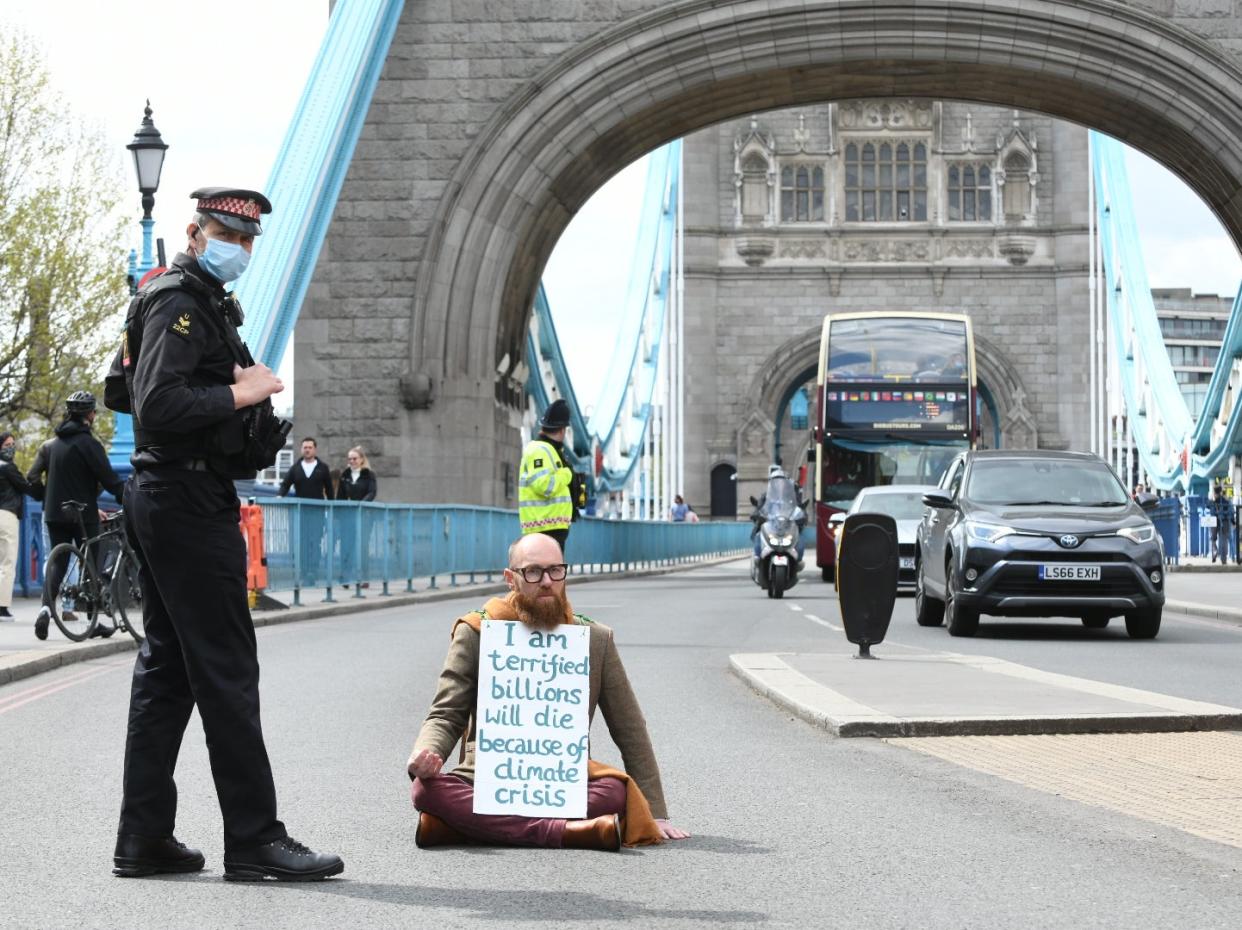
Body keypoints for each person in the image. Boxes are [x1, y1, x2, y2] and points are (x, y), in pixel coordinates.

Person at [104, 188, 341, 881]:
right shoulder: (179, 301)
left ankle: (143, 839)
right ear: (195, 232)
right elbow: (153, 402)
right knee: (227, 669)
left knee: (168, 673)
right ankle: (256, 838)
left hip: (169, 492)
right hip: (183, 498)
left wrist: (251, 407)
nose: (240, 249)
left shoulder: (197, 302)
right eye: (228, 235)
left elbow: (123, 392)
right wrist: (240, 394)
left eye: (248, 240)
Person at [407, 532, 690, 850]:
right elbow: (446, 712)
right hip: (487, 778)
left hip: (562, 779)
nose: (547, 581)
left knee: (616, 791)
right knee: (424, 789)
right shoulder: (476, 632)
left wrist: (655, 810)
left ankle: (462, 828)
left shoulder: (594, 639)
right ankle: (570, 832)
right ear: (510, 578)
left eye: (556, 570)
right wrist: (426, 754)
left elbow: (630, 728)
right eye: (533, 571)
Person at [25, 392, 124, 640]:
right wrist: (127, 495)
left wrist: (44, 497)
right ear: (90, 415)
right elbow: (108, 479)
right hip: (83, 513)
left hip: (54, 512)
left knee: (58, 562)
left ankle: (46, 609)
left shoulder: (52, 445)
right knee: (91, 559)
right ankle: (92, 618)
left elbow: (32, 478)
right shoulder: (90, 445)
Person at [518, 399, 576, 549]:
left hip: (550, 527)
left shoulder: (549, 450)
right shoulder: (539, 450)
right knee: (547, 571)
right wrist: (566, 474)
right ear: (563, 430)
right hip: (543, 528)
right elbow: (545, 486)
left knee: (551, 571)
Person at [279, 437, 332, 586]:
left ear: (315, 449)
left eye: (310, 447)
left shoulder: (323, 468)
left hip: (317, 513)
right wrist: (279, 496)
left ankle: (312, 572)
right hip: (300, 513)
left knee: (315, 543)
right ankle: (302, 573)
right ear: (301, 449)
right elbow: (285, 484)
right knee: (301, 543)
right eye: (305, 447)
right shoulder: (295, 468)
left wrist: (332, 508)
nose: (307, 450)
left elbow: (329, 490)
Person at [0, 430, 33, 620]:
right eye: (7, 445)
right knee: (7, 562)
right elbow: (25, 486)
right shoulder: (7, 467)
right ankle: (2, 607)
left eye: (12, 444)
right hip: (7, 515)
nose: (11, 448)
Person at [335, 446, 378, 585]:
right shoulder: (345, 475)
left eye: (355, 458)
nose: (352, 461)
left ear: (361, 460)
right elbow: (340, 496)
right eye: (350, 459)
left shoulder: (369, 475)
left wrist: (361, 504)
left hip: (364, 516)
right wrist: (338, 515)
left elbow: (372, 492)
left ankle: (363, 577)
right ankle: (345, 576)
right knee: (346, 546)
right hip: (348, 516)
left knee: (362, 547)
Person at [1209, 483, 1236, 564]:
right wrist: (1233, 521)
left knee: (1213, 539)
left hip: (1214, 521)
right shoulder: (1227, 501)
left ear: (1214, 492)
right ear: (1221, 491)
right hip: (1225, 521)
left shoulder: (1213, 502)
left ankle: (1215, 551)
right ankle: (1224, 559)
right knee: (1224, 540)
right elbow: (1231, 511)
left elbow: (1211, 511)